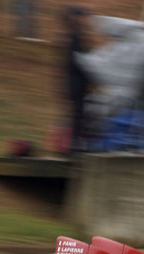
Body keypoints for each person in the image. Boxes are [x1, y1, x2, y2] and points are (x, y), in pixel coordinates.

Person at [62, 7, 90, 153]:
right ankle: (75, 147)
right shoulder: (73, 39)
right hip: (76, 84)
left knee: (78, 116)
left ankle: (76, 145)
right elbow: (75, 62)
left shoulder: (75, 37)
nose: (83, 21)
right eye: (80, 17)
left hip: (78, 84)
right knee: (77, 116)